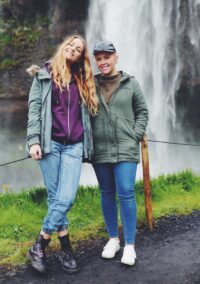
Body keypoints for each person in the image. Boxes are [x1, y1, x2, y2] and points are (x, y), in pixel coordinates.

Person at [26, 34, 98, 274]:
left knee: (65, 198)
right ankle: (66, 248)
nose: (73, 49)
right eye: (71, 45)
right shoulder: (44, 75)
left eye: (78, 49)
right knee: (57, 196)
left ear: (81, 57)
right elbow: (34, 109)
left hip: (74, 145)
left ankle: (40, 243)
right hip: (50, 144)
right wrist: (33, 140)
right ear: (64, 46)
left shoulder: (82, 80)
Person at [91, 40, 148, 266]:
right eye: (99, 58)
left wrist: (135, 134)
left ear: (116, 57)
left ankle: (130, 245)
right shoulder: (90, 84)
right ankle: (113, 239)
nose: (103, 62)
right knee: (106, 192)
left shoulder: (131, 83)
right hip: (100, 148)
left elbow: (142, 111)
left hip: (126, 146)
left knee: (125, 191)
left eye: (107, 57)